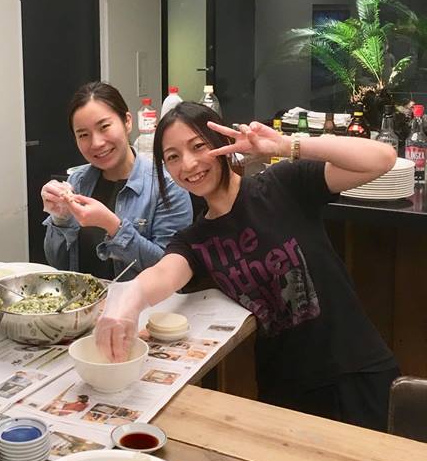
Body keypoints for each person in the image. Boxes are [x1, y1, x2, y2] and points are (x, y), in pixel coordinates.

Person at [95, 102, 400, 431]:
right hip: (286, 391)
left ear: (223, 143)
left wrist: (286, 145)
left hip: (354, 372)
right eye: (173, 157)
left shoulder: (282, 185)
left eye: (198, 146)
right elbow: (162, 274)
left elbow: (382, 158)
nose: (189, 164)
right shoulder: (195, 240)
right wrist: (127, 302)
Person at [41, 81, 193, 279]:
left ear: (127, 121)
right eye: (83, 135)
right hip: (83, 297)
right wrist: (59, 219)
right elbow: (58, 263)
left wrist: (113, 226)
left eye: (104, 127)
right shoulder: (78, 181)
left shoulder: (167, 186)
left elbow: (171, 272)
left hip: (141, 300)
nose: (96, 143)